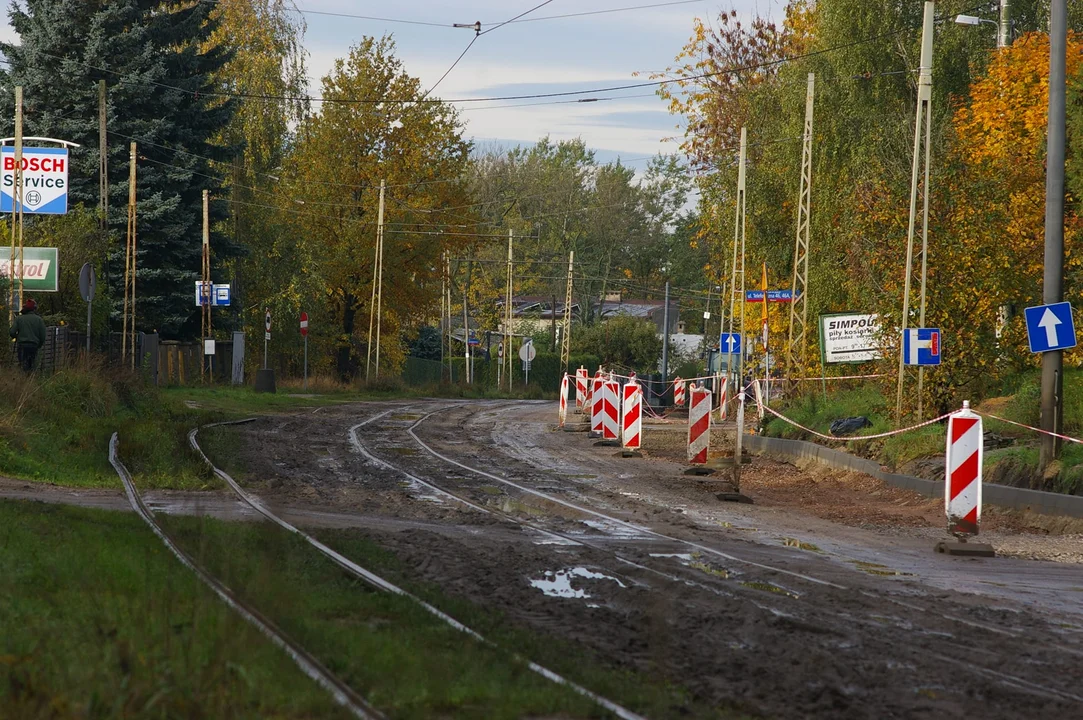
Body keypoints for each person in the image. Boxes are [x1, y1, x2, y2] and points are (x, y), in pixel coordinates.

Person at [9, 298, 46, 373]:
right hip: (33, 345)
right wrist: (39, 345)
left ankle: (23, 381)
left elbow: (12, 332)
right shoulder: (39, 320)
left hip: (22, 345)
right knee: (31, 365)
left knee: (23, 365)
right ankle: (30, 380)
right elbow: (43, 336)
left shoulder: (19, 319)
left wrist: (17, 337)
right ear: (34, 309)